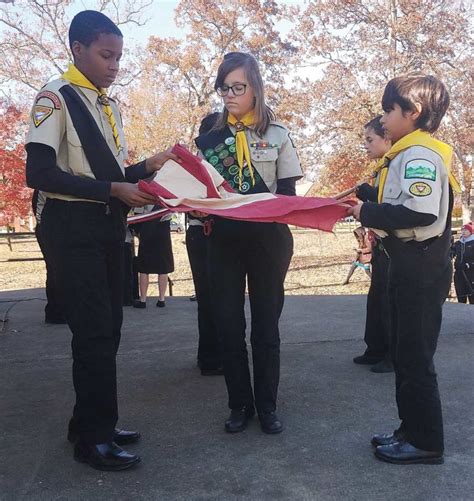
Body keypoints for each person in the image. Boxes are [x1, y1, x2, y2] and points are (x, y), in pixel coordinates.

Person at [25, 10, 178, 471]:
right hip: (71, 228)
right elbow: (40, 173)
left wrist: (147, 167)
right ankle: (93, 439)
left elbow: (108, 176)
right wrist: (113, 190)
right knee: (93, 332)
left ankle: (91, 422)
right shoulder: (56, 97)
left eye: (118, 57)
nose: (114, 65)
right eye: (105, 55)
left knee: (109, 328)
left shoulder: (105, 105)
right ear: (78, 49)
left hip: (106, 227)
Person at [348, 74, 460, 465]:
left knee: (415, 356)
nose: (384, 117)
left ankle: (427, 441)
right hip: (406, 259)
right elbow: (401, 201)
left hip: (422, 264)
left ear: (412, 113)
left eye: (389, 110)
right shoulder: (405, 153)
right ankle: (409, 428)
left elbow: (420, 209)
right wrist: (369, 200)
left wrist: (369, 211)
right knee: (402, 349)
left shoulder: (420, 156)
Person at [195, 52, 303, 434]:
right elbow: (201, 191)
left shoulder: (278, 135)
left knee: (265, 329)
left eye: (237, 87)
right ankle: (239, 405)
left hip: (267, 240)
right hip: (223, 240)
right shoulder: (211, 138)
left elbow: (288, 192)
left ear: (255, 87)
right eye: (223, 88)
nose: (229, 95)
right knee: (227, 325)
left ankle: (268, 406)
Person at [352, 116, 393, 373]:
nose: (365, 145)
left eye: (370, 140)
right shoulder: (382, 168)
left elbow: (393, 207)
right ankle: (375, 348)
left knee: (390, 302)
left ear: (387, 139)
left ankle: (392, 353)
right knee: (376, 299)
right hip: (380, 245)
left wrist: (370, 199)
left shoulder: (395, 167)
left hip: (394, 247)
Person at [186, 112, 223, 376]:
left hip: (220, 234)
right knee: (210, 298)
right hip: (203, 234)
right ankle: (211, 357)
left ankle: (214, 353)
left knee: (220, 298)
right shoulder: (195, 166)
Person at [32, 189, 67, 324]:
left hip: (49, 228)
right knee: (55, 270)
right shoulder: (47, 185)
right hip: (49, 230)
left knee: (55, 270)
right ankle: (56, 311)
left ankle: (57, 310)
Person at [133, 207, 174, 308]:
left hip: (147, 229)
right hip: (163, 230)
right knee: (163, 267)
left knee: (144, 268)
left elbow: (138, 213)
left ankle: (143, 300)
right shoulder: (166, 196)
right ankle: (161, 299)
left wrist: (137, 231)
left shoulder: (145, 193)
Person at [452, 222, 474, 304]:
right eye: (462, 230)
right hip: (459, 273)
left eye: (466, 230)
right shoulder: (458, 243)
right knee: (461, 297)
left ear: (471, 231)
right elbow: (450, 253)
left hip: (471, 274)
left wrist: (468, 265)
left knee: (472, 298)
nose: (463, 232)